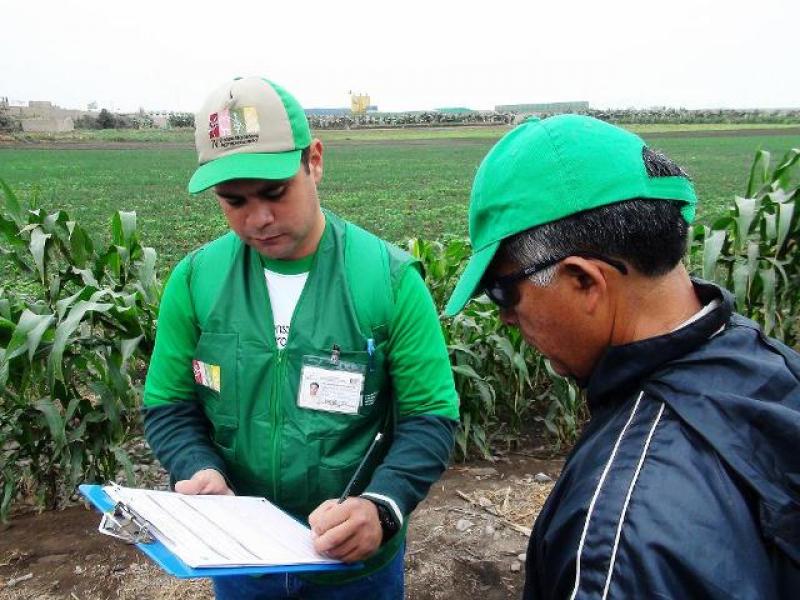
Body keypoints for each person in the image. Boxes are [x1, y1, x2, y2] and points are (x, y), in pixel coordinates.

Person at [445, 115, 799, 599]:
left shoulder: (617, 538)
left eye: (503, 292)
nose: (505, 319)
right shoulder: (770, 362)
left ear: (584, 281)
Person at [143, 76, 459, 599]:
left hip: (353, 568)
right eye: (234, 200)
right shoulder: (196, 281)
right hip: (242, 560)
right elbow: (169, 404)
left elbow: (431, 417)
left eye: (275, 192)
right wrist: (197, 468)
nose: (259, 218)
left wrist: (383, 505)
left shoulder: (388, 280)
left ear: (314, 160)